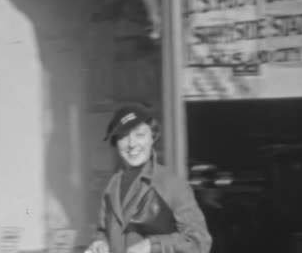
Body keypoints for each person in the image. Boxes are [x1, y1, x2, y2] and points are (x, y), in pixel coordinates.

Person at [86, 103, 212, 253]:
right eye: (124, 136)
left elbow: (199, 241)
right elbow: (103, 230)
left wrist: (153, 245)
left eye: (139, 135)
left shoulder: (172, 184)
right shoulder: (113, 185)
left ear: (153, 137)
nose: (132, 144)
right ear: (116, 143)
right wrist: (100, 242)